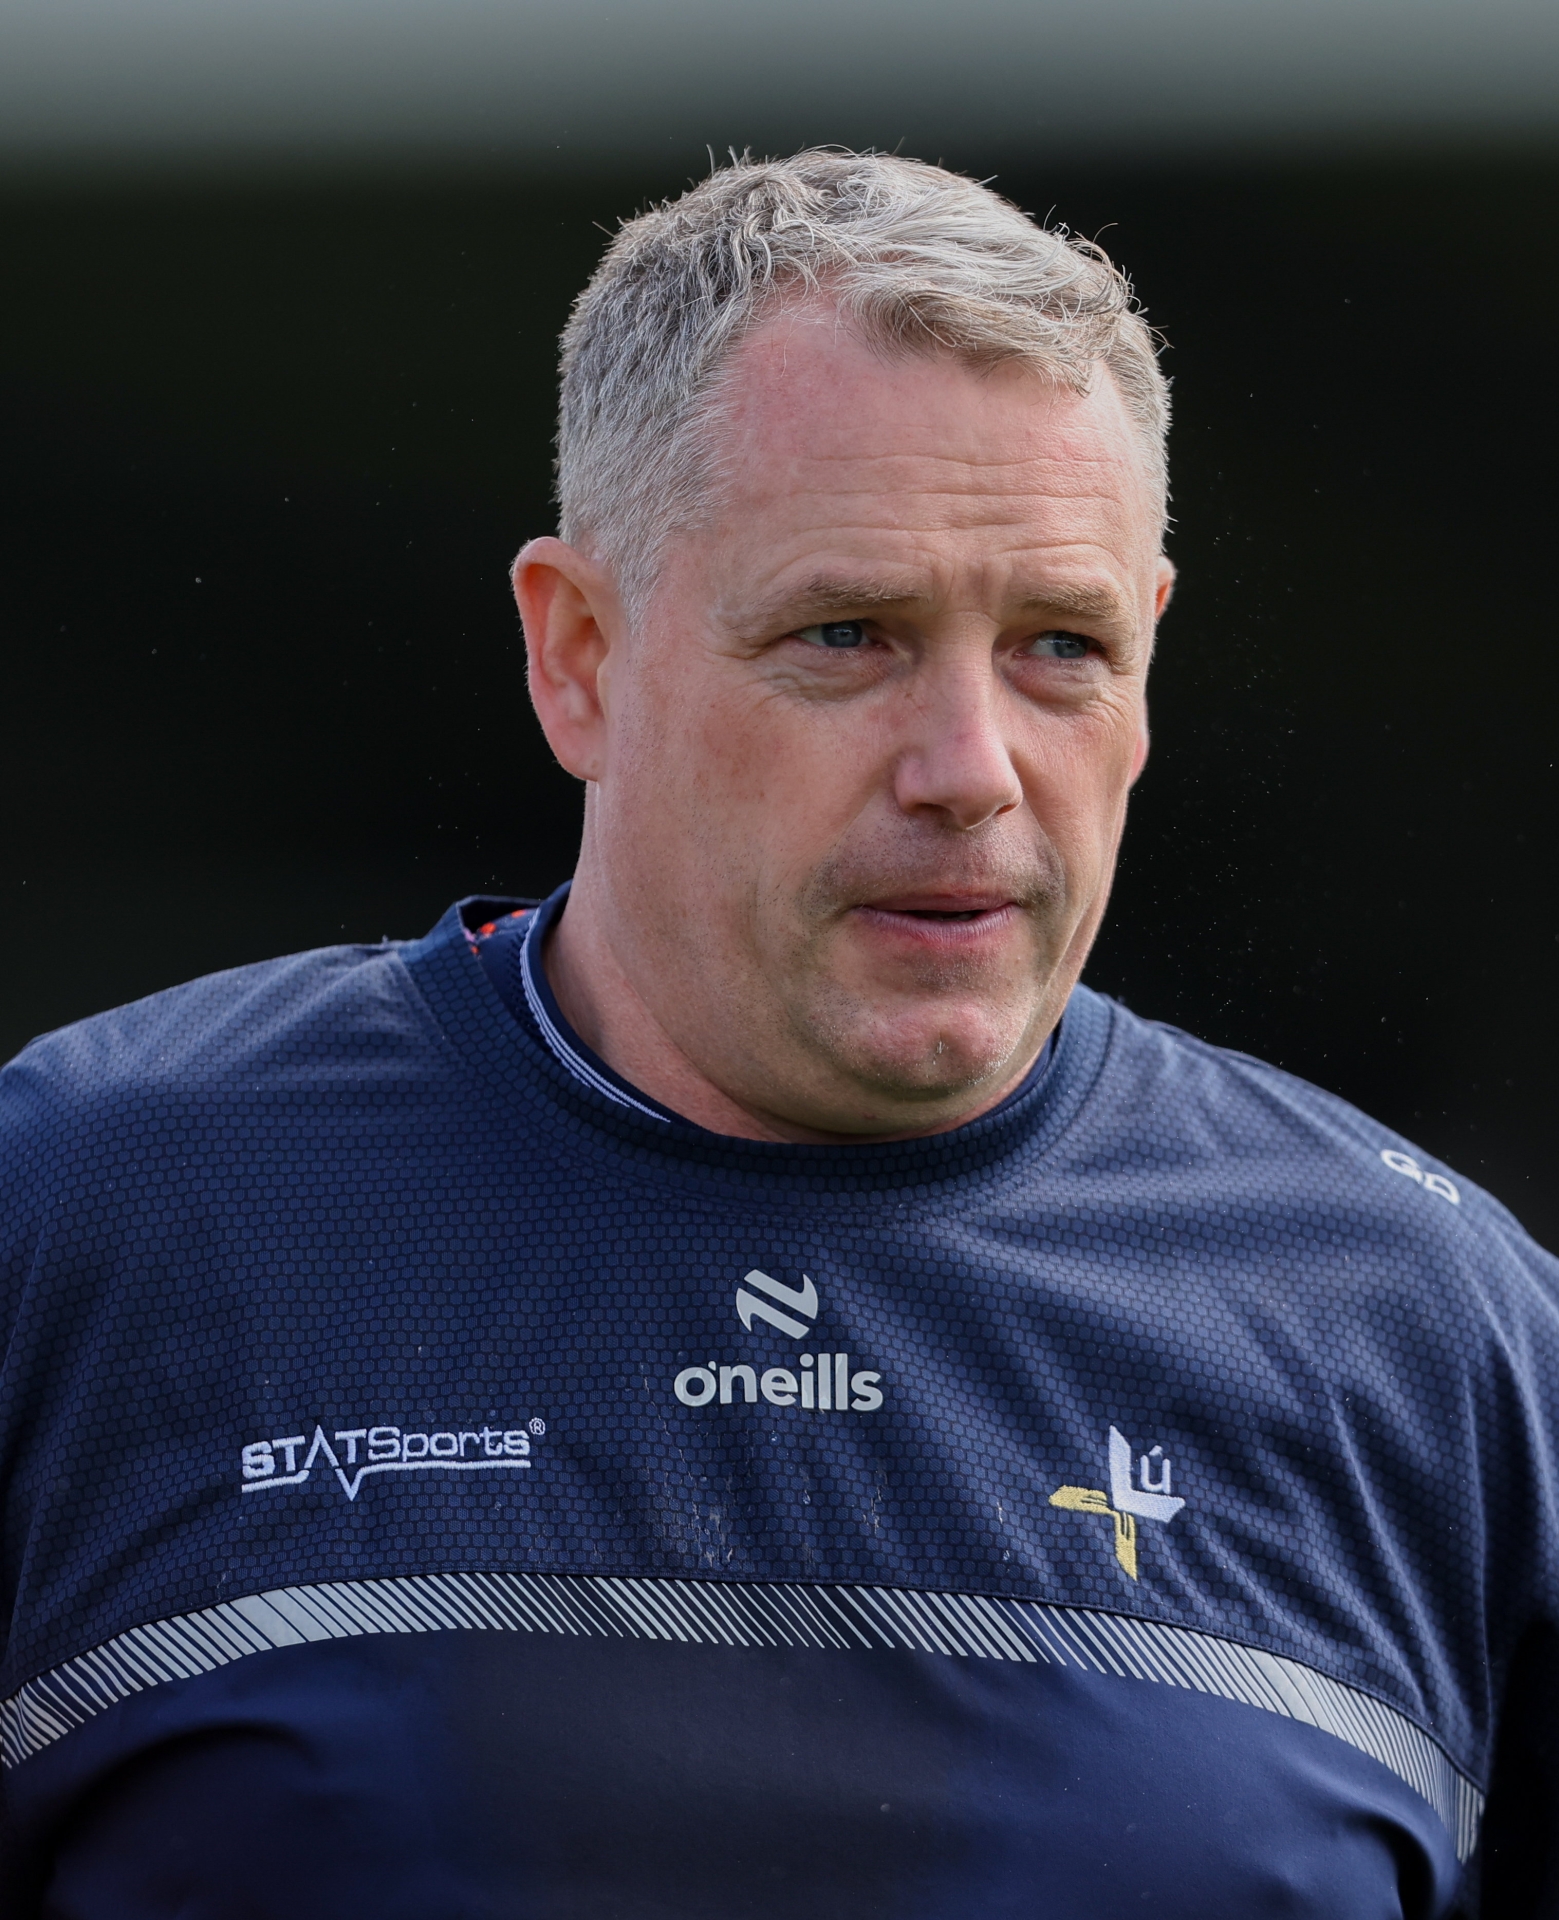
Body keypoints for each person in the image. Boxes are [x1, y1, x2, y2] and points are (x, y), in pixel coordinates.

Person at [0, 149, 1553, 1919]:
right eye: (849, 634)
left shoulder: (1435, 1342)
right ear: (580, 655)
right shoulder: (86, 1223)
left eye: (1060, 645)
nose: (970, 770)